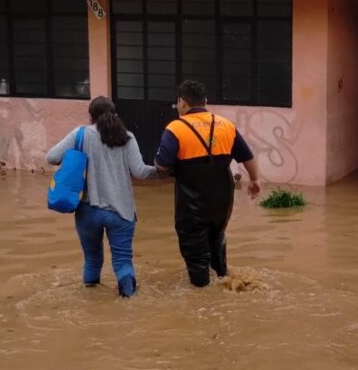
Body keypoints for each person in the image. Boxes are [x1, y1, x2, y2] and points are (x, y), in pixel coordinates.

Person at [47, 96, 157, 297]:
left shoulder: (80, 134)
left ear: (90, 117)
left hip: (87, 211)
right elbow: (140, 172)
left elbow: (52, 157)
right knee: (123, 261)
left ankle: (92, 302)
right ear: (115, 114)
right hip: (121, 212)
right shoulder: (127, 137)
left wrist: (74, 158)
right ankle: (129, 300)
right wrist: (163, 171)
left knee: (92, 260)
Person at [154, 80, 261, 287]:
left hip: (192, 203)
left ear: (182, 102)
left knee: (195, 251)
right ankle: (223, 280)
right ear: (205, 101)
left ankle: (203, 296)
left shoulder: (176, 128)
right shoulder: (226, 125)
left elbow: (162, 165)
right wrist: (255, 180)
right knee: (217, 238)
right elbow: (247, 156)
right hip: (223, 201)